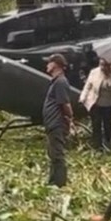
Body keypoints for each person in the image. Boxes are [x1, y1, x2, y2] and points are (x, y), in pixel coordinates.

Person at [79, 57, 111, 152]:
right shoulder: (94, 72)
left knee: (108, 125)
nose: (103, 67)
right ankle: (97, 145)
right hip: (96, 103)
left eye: (105, 65)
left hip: (109, 104)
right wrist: (83, 98)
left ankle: (107, 143)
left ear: (109, 65)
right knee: (96, 124)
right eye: (101, 65)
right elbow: (87, 86)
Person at [42, 53, 73, 187]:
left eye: (49, 63)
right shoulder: (56, 82)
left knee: (57, 154)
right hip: (52, 123)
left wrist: (70, 118)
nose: (47, 65)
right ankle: (52, 181)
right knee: (53, 154)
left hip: (57, 123)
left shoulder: (60, 82)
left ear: (55, 64)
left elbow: (65, 104)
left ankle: (60, 183)